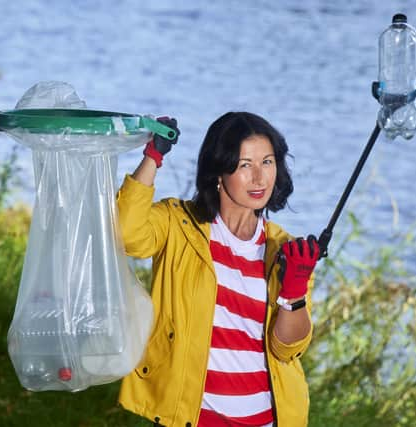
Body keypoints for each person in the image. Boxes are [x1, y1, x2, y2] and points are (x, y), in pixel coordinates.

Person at [116, 112, 320, 427]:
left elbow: (286, 349)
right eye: (245, 165)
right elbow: (127, 235)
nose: (260, 178)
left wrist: (293, 293)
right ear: (218, 172)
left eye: (267, 162)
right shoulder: (179, 224)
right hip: (193, 418)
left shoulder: (284, 250)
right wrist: (153, 157)